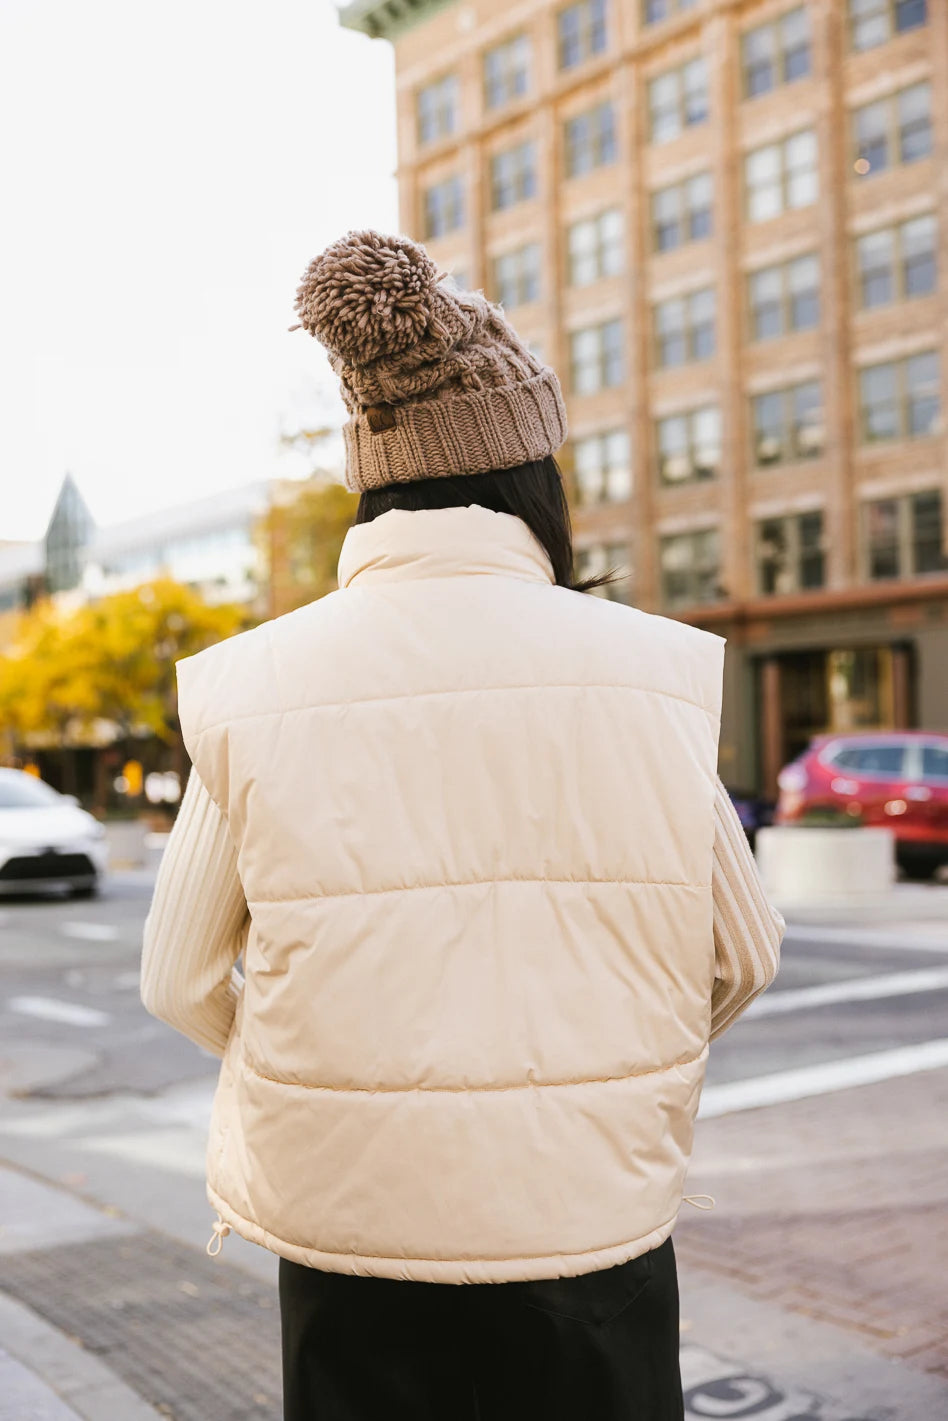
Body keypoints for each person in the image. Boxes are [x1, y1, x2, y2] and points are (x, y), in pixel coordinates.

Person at [141, 229, 784, 1421]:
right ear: (535, 476)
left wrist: (342, 1070)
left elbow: (178, 978)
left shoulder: (251, 684)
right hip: (591, 1224)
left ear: (371, 478)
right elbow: (744, 954)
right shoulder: (649, 674)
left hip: (352, 1237)